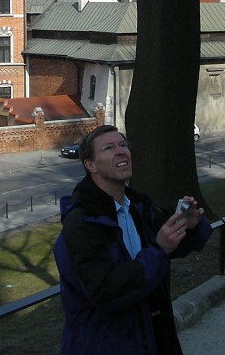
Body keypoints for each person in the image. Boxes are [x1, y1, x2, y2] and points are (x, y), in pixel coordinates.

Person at [53, 125, 211, 355]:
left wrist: (191, 226)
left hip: (152, 336)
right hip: (104, 345)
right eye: (109, 148)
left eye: (123, 145)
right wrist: (159, 249)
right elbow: (105, 291)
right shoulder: (81, 223)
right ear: (91, 165)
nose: (121, 151)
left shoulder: (139, 209)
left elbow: (175, 247)